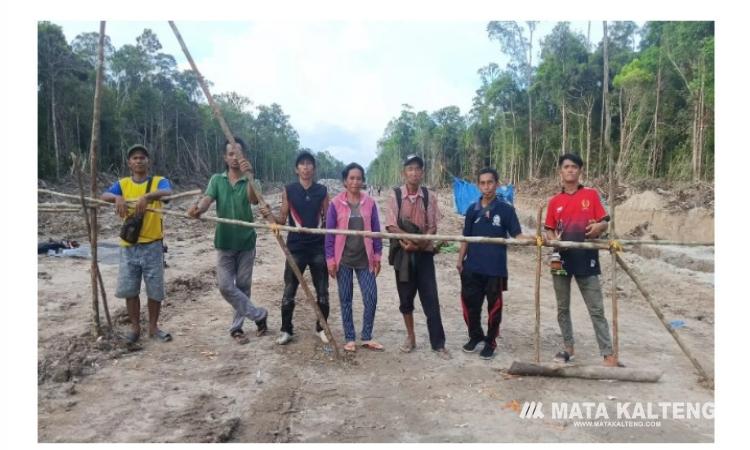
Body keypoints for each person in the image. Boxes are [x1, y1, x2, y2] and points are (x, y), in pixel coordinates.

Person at [188, 137, 267, 345]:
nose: (234, 158)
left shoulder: (253, 180)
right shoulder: (217, 179)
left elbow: (253, 199)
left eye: (238, 154)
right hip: (224, 241)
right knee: (225, 286)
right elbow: (207, 200)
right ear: (225, 157)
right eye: (231, 154)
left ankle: (237, 327)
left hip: (246, 242)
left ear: (245, 157)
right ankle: (259, 315)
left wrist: (250, 176)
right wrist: (198, 210)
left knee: (242, 285)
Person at [544, 153, 620, 367]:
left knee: (596, 308)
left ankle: (607, 353)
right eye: (566, 167)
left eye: (574, 167)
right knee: (562, 307)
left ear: (580, 171)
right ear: (560, 171)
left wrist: (599, 227)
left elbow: (604, 222)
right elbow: (549, 230)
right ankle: (568, 347)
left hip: (587, 258)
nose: (570, 170)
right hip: (561, 260)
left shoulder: (591, 195)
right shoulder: (554, 202)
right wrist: (553, 240)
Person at [101, 144, 173, 343]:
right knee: (130, 289)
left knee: (155, 289)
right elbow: (103, 196)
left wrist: (147, 196)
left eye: (142, 157)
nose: (139, 160)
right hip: (129, 246)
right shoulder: (122, 184)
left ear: (148, 162)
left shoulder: (159, 181)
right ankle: (135, 328)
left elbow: (167, 193)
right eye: (135, 158)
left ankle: (153, 327)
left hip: (153, 245)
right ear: (129, 163)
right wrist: (117, 197)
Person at [259, 151, 331, 345]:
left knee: (322, 292)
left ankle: (321, 328)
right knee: (289, 291)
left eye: (309, 164)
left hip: (318, 248)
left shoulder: (322, 191)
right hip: (295, 248)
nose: (306, 167)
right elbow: (282, 219)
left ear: (314, 169)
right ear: (296, 169)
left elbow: (329, 220)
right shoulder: (289, 190)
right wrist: (269, 215)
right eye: (302, 164)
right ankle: (286, 330)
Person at [385, 154, 450, 359]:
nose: (414, 172)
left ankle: (438, 343)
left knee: (430, 298)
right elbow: (391, 225)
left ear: (422, 173)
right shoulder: (394, 196)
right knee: (406, 298)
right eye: (410, 168)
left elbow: (432, 227)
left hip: (424, 255)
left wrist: (420, 243)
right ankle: (410, 336)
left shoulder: (429, 196)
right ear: (404, 172)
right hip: (403, 254)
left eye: (417, 169)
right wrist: (409, 241)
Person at [456, 168, 525, 360]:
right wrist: (460, 260)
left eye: (490, 182)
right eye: (483, 183)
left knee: (494, 308)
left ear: (497, 184)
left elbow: (517, 235)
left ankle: (490, 341)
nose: (486, 187)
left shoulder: (506, 210)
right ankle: (474, 336)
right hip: (472, 268)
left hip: (494, 269)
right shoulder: (472, 210)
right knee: (470, 305)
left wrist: (535, 239)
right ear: (478, 185)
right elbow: (466, 238)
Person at [325, 163, 383, 353]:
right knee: (346, 299)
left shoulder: (370, 203)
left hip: (364, 259)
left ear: (363, 181)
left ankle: (366, 336)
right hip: (343, 260)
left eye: (359, 178)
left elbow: (375, 230)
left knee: (371, 297)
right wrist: (330, 260)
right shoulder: (335, 204)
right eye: (352, 178)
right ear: (345, 181)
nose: (355, 182)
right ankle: (349, 337)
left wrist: (377, 255)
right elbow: (330, 234)